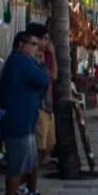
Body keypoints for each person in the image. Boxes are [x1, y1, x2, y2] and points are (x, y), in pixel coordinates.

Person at [0, 32, 50, 195]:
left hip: (21, 120)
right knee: (17, 165)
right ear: (21, 44)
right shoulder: (21, 61)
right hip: (19, 121)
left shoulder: (16, 61)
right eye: (33, 44)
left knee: (22, 162)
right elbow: (44, 80)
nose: (37, 48)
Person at [25, 23, 57, 170]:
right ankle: (30, 174)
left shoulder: (46, 56)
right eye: (45, 38)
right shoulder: (33, 59)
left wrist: (53, 55)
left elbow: (54, 76)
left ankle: (33, 171)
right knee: (39, 145)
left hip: (47, 104)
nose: (47, 42)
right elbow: (50, 76)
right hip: (39, 105)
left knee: (47, 145)